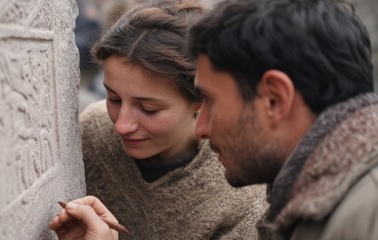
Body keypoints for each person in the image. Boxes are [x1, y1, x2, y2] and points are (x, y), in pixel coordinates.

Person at [49, 0, 267, 239]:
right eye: (114, 98)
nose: (122, 125)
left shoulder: (243, 195)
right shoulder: (92, 131)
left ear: (200, 99)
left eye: (148, 108)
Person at [189, 0, 378, 239]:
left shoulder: (366, 215)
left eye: (210, 99)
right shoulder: (333, 206)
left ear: (274, 99)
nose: (200, 128)